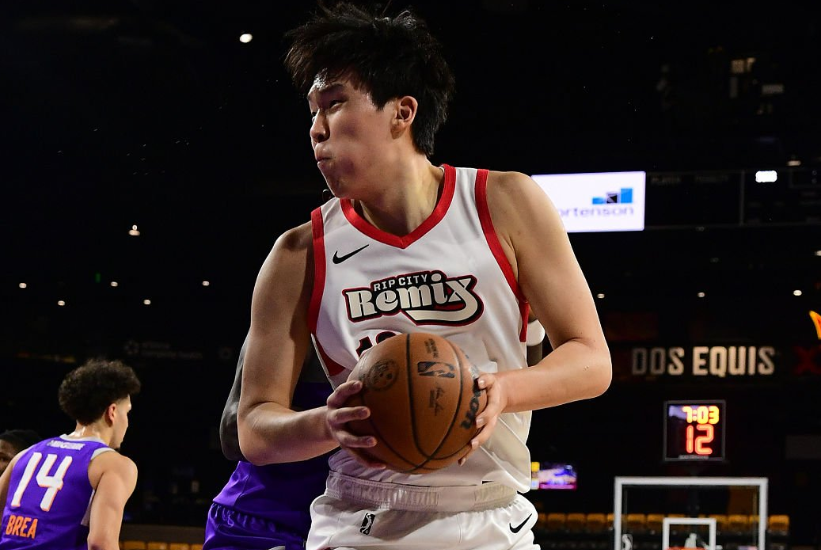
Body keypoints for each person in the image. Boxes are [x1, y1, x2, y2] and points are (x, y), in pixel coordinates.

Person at [237, 3, 612, 549]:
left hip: (488, 515)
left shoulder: (504, 202)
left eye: (334, 104)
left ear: (402, 112)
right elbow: (254, 428)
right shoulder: (297, 253)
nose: (316, 129)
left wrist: (502, 391)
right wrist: (325, 424)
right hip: (360, 517)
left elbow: (592, 360)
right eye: (312, 112)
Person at [203, 334, 332, 550]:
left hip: (351, 523)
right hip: (263, 522)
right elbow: (233, 433)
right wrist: (336, 425)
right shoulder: (303, 323)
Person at [0, 359, 141, 550]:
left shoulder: (24, 455)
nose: (127, 422)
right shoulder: (114, 464)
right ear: (112, 412)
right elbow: (101, 543)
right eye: (127, 412)